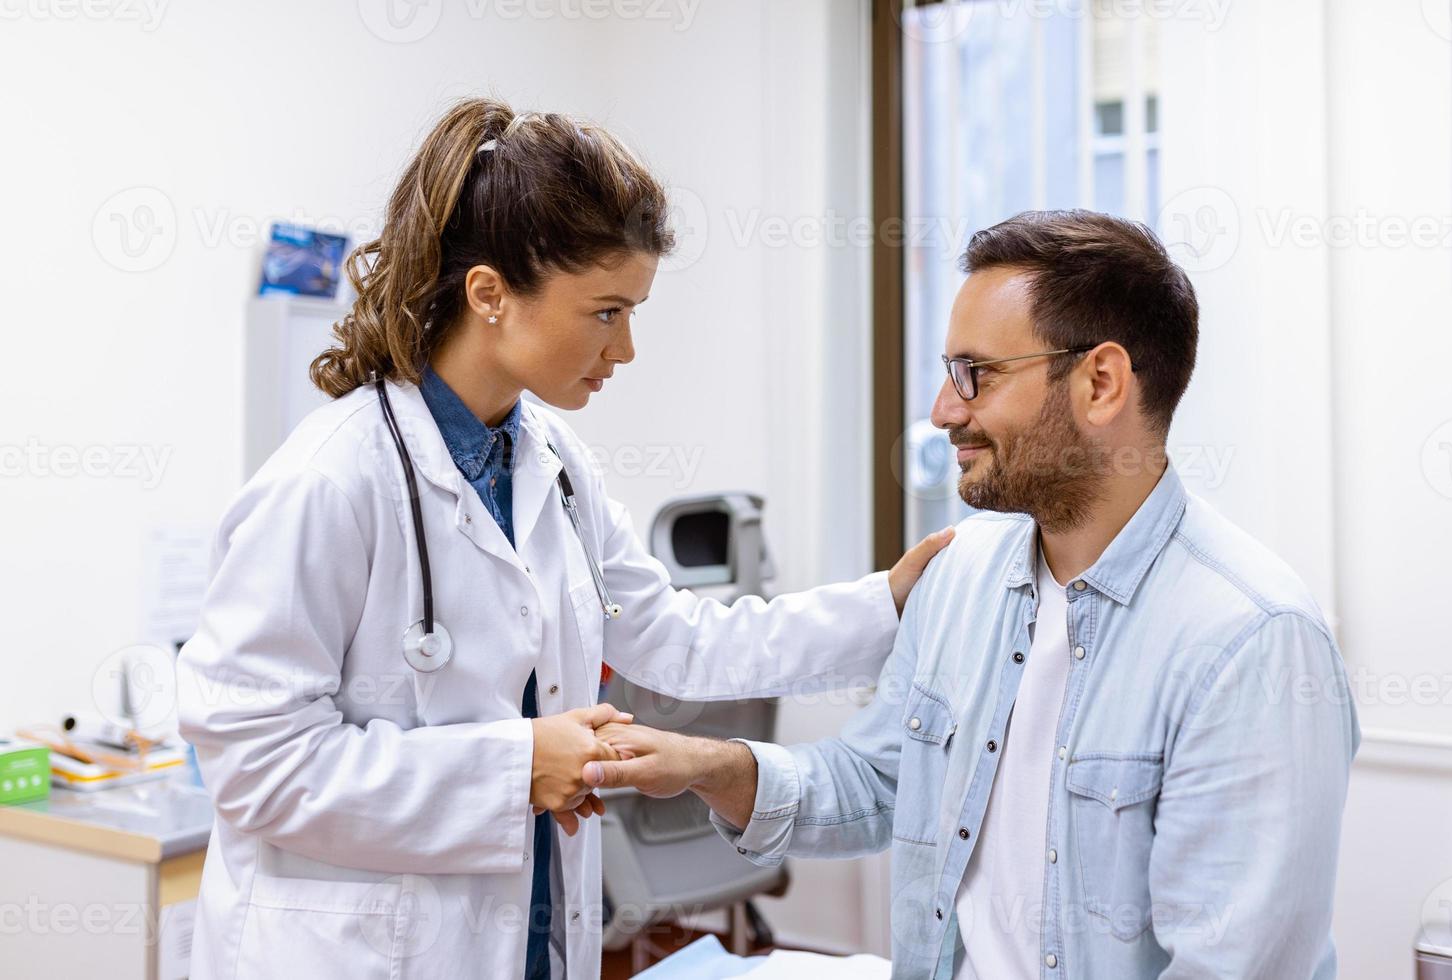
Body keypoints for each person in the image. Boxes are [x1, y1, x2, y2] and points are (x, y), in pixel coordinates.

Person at [174, 97, 951, 980]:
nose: (625, 350)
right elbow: (255, 766)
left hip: (528, 934)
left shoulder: (555, 464)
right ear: (491, 295)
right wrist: (513, 768)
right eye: (606, 312)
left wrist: (888, 602)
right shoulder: (331, 482)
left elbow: (672, 638)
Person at [586, 210, 1361, 980]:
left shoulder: (1252, 644)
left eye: (976, 374)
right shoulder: (961, 575)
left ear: (1101, 383)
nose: (942, 410)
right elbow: (877, 781)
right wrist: (704, 764)